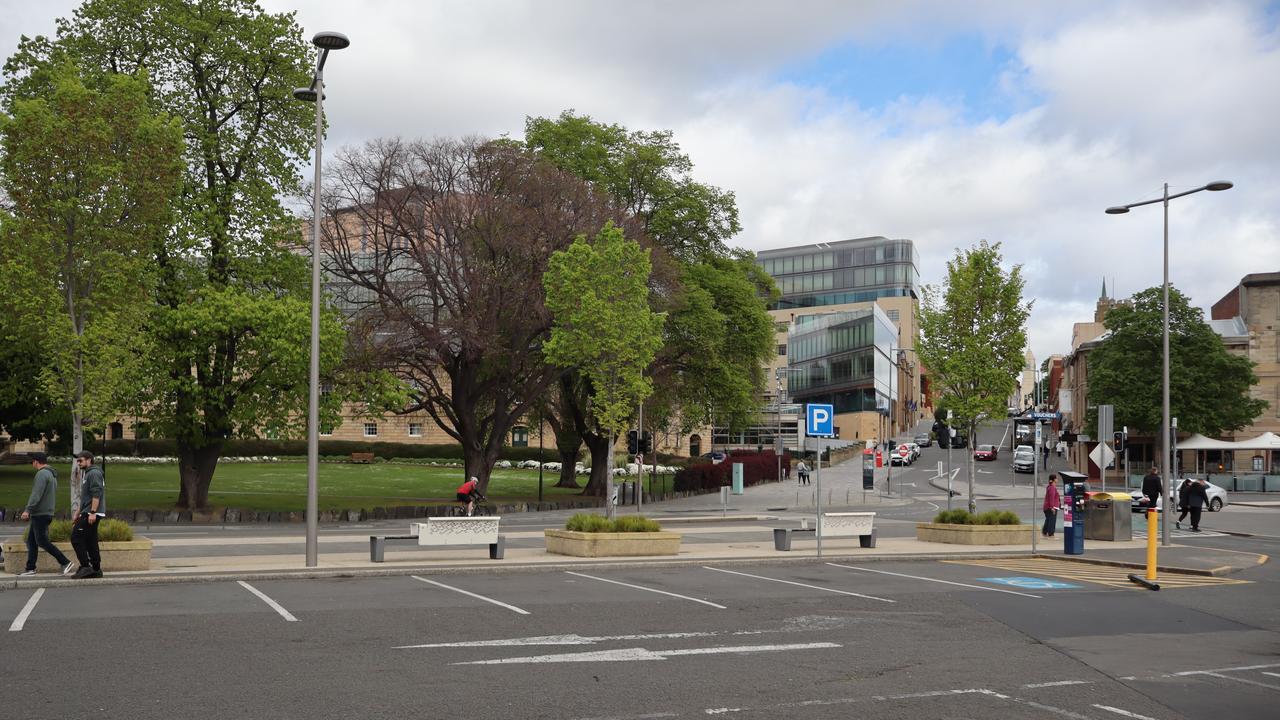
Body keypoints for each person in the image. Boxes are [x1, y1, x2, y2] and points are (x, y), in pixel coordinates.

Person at [20, 452, 75, 577]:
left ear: (36, 461)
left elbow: (36, 495)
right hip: (45, 512)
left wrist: (28, 510)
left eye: (32, 461)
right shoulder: (51, 474)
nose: (31, 463)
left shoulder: (41, 474)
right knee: (32, 542)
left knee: (42, 541)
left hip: (40, 513)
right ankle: (30, 568)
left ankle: (65, 562)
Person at [70, 451, 106, 579]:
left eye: (81, 460)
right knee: (90, 540)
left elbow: (97, 493)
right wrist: (77, 512)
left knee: (76, 537)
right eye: (78, 461)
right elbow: (86, 497)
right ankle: (96, 569)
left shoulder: (94, 473)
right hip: (87, 511)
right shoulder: (88, 473)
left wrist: (92, 512)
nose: (78, 463)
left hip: (92, 512)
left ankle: (86, 566)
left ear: (89, 460)